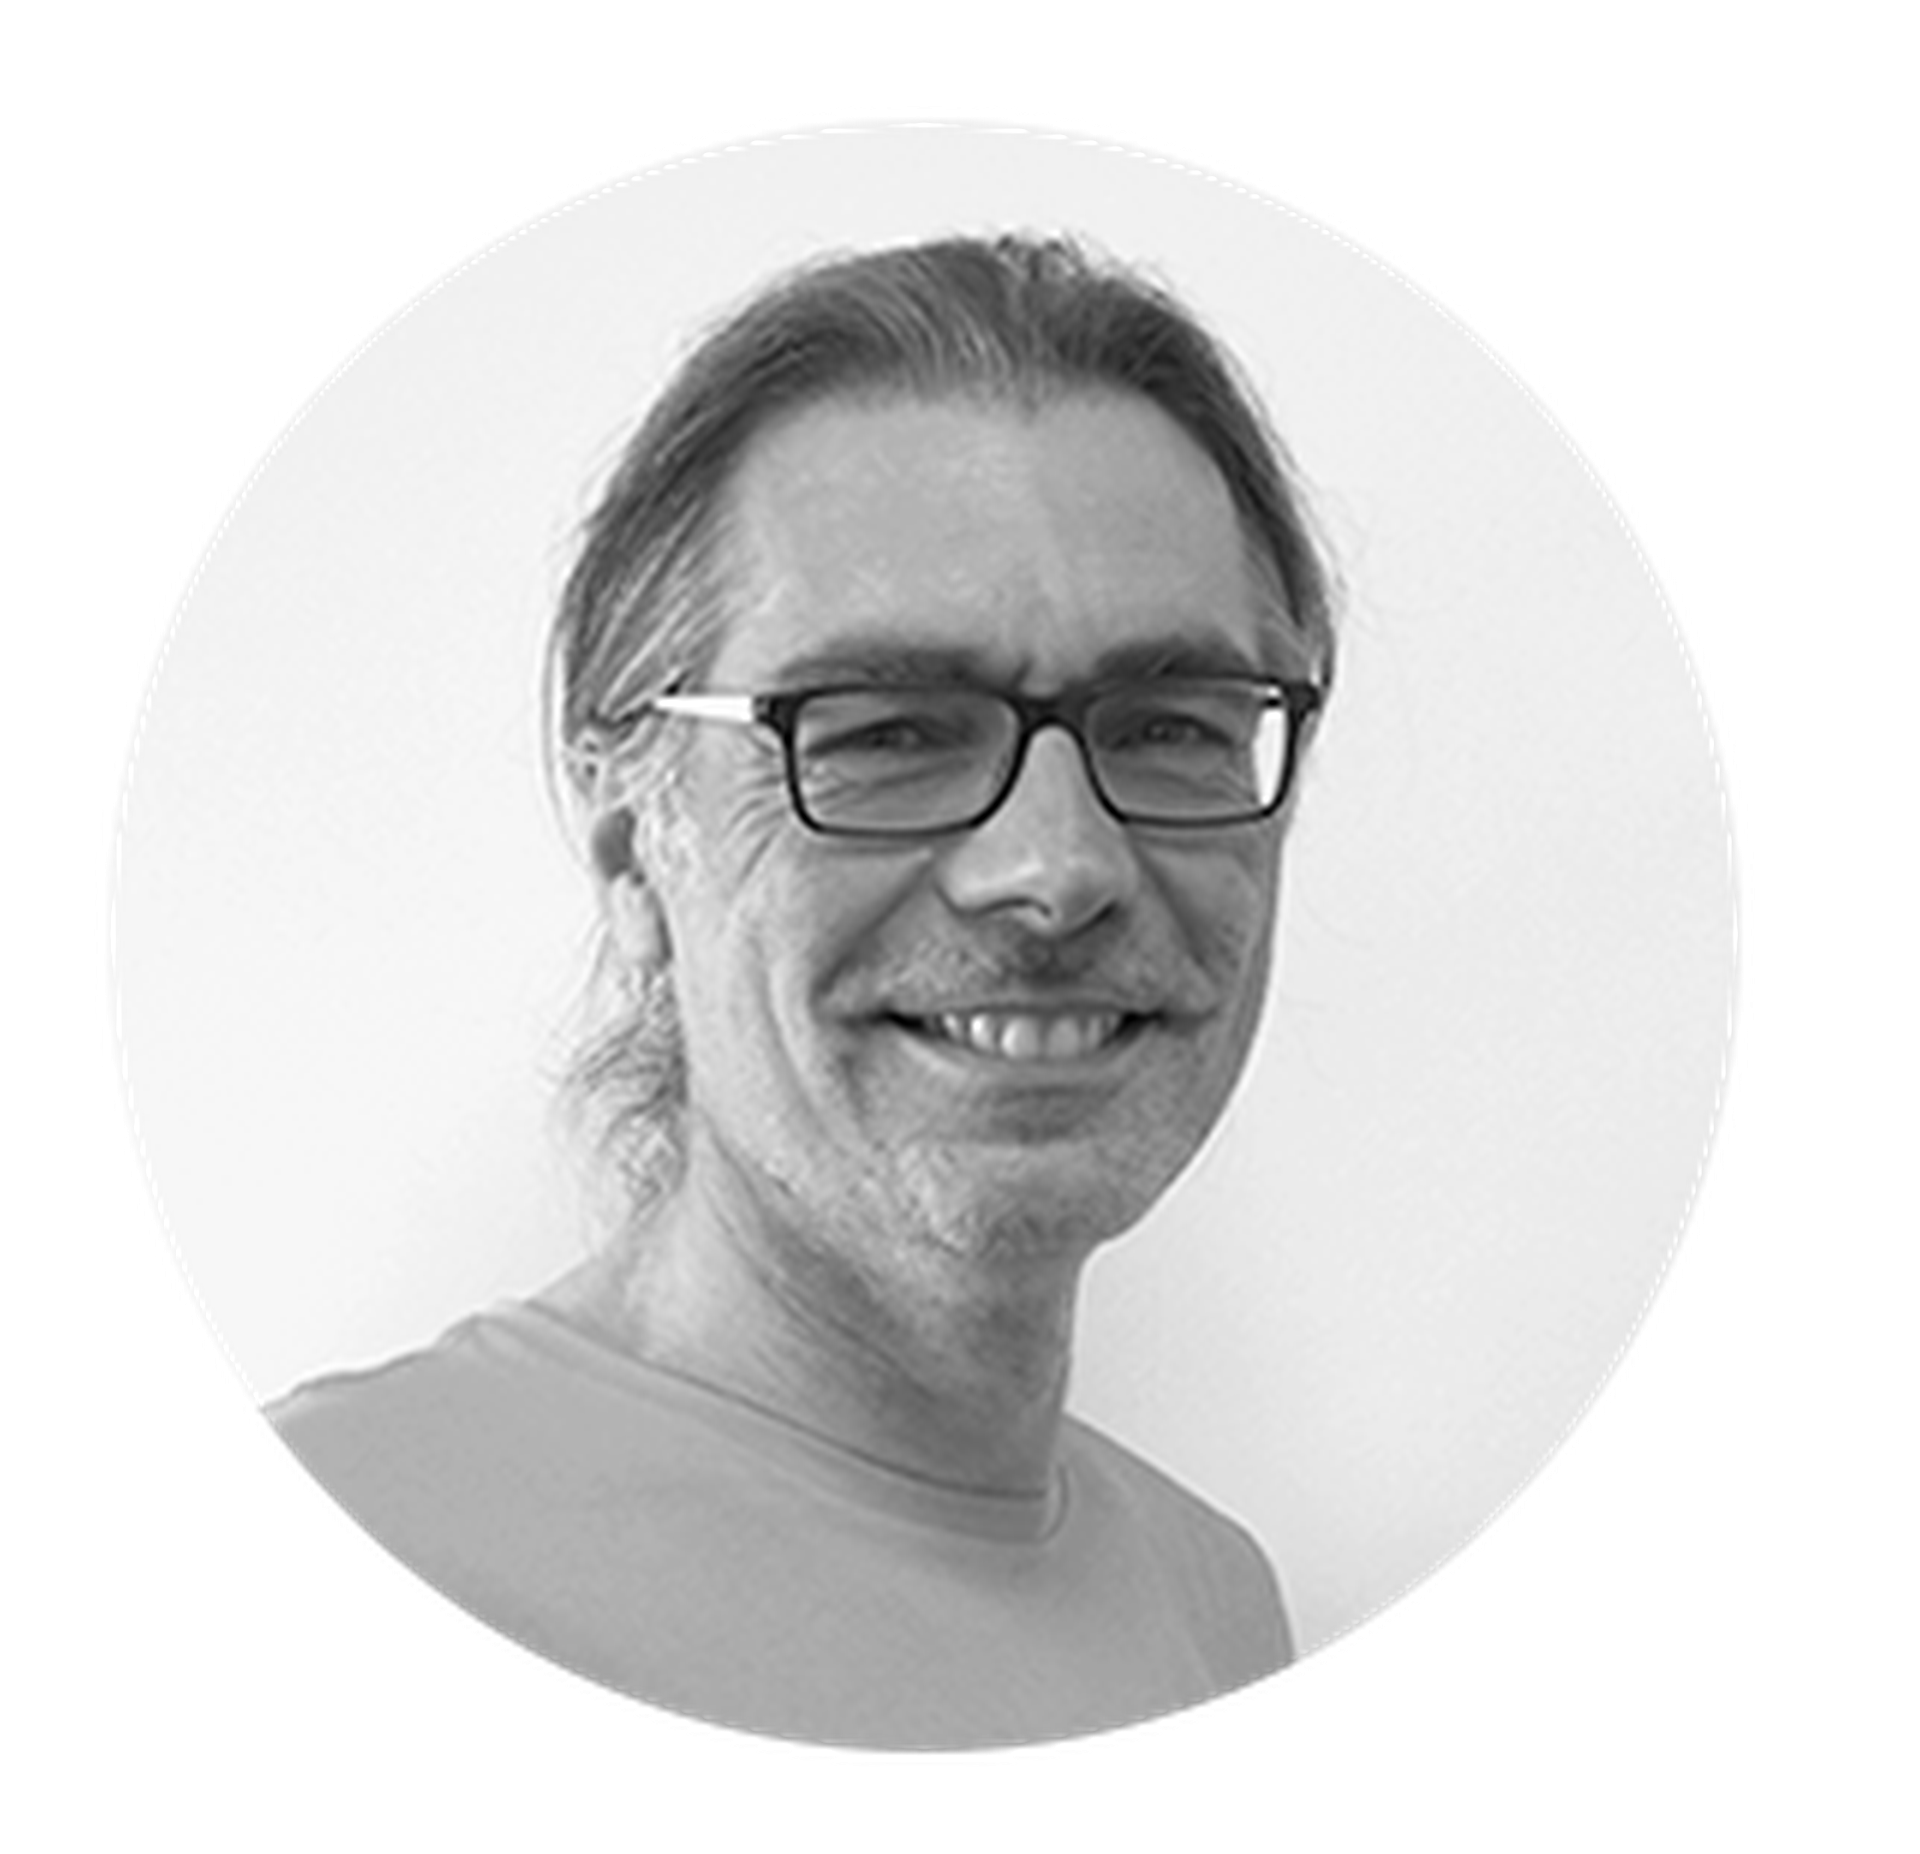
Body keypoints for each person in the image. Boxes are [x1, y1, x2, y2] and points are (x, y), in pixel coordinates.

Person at [267, 234, 1337, 1753]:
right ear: (634, 836)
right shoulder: (382, 1524)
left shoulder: (1213, 1600)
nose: (1056, 867)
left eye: (1171, 725)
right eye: (887, 731)